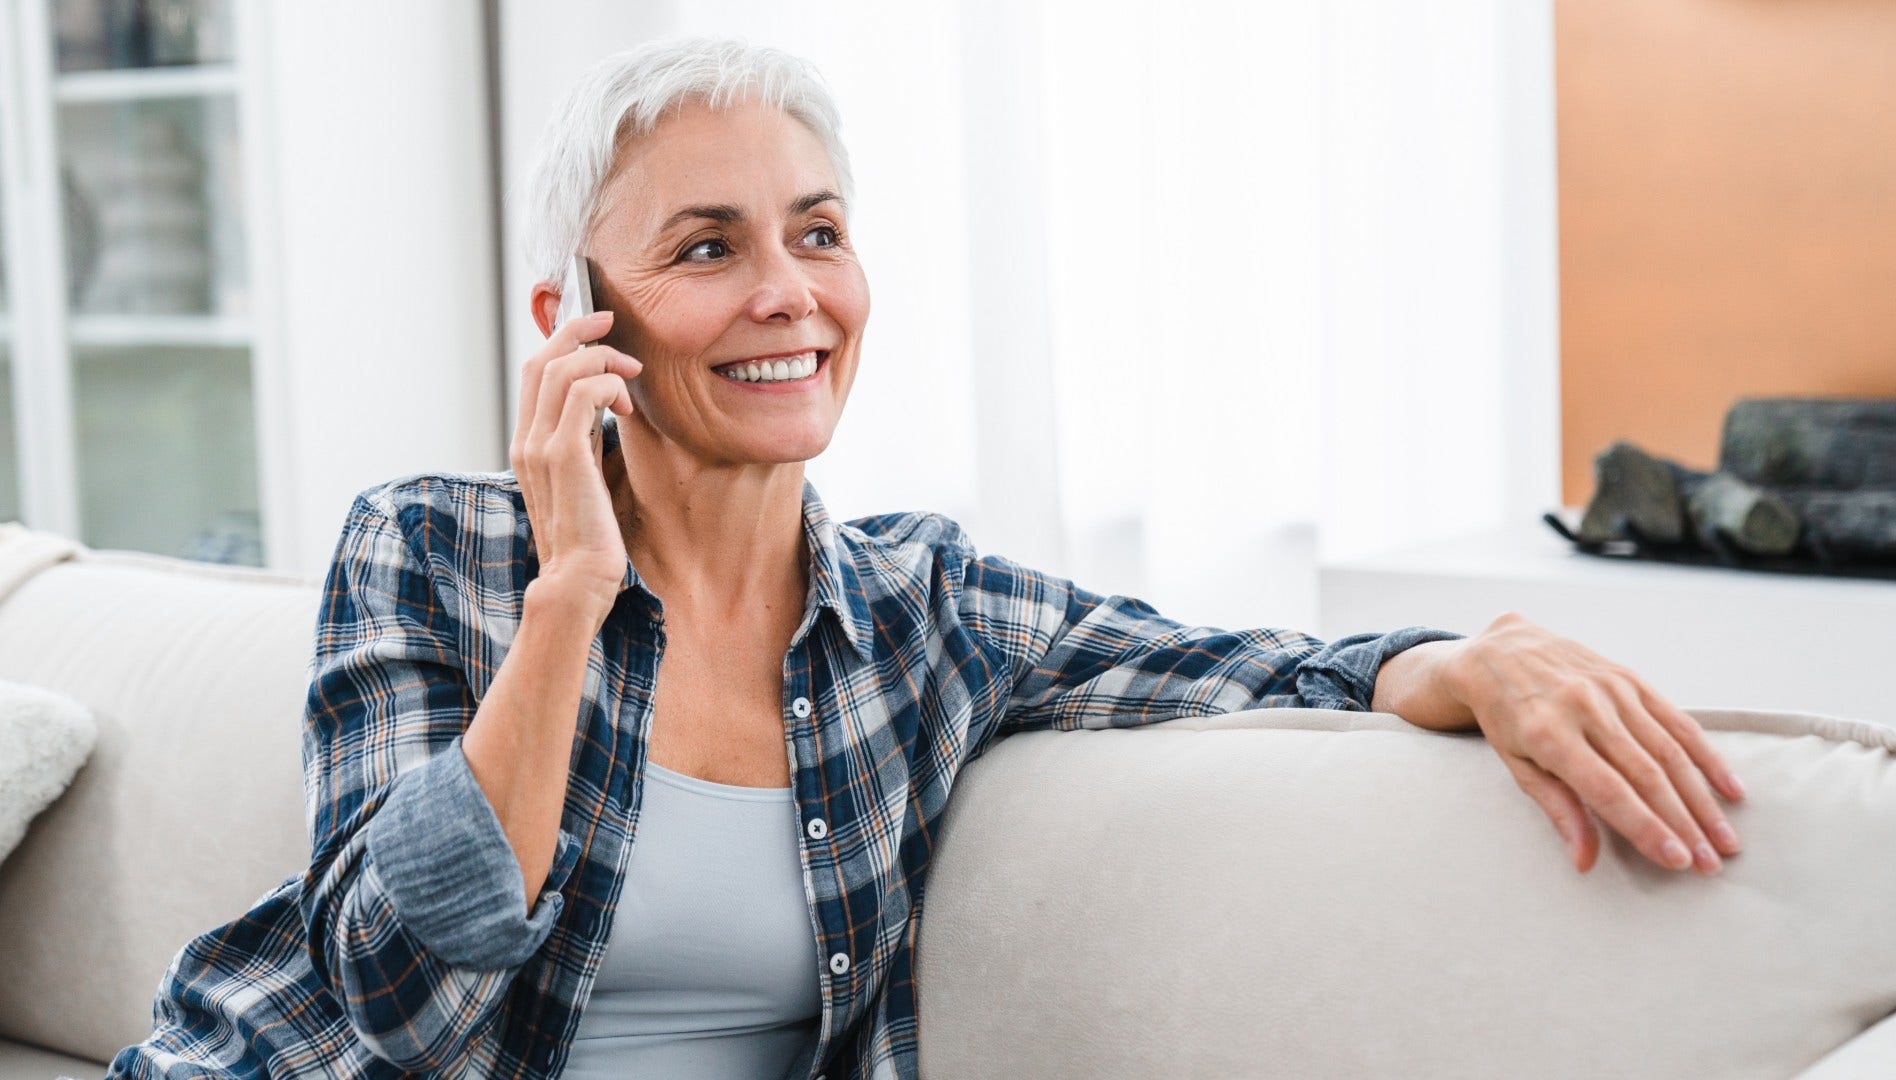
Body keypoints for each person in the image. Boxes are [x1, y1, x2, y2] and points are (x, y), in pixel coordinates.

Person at [107, 35, 1746, 1080]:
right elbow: (401, 1002)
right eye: (706, 248)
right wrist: (570, 600)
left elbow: (1220, 662)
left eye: (818, 231)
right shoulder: (430, 551)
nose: (788, 294)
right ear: (571, 323)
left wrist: (1455, 656)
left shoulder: (926, 612)